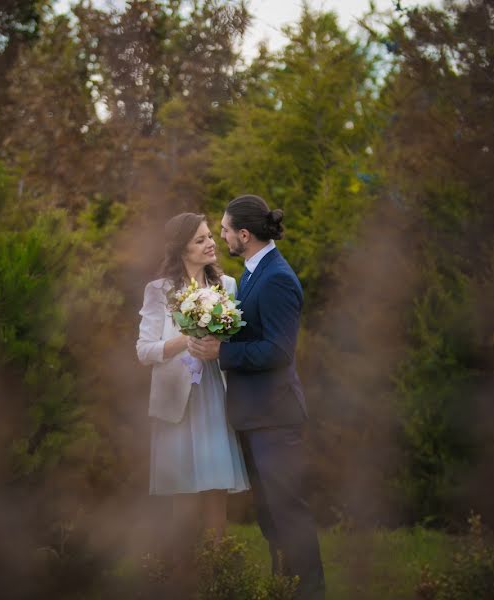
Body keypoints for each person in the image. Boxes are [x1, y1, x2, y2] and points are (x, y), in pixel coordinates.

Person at [188, 195, 325, 599]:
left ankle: (310, 593)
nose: (223, 237)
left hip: (275, 419)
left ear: (244, 235)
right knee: (270, 518)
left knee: (288, 514)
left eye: (226, 230)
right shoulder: (251, 273)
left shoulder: (278, 278)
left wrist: (222, 353)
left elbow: (279, 352)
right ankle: (284, 589)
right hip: (254, 417)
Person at [136, 212, 249, 560]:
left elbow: (235, 336)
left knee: (216, 487)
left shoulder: (227, 285)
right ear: (181, 249)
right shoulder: (159, 291)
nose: (211, 243)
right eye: (200, 240)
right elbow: (144, 351)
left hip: (213, 392)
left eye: (210, 237)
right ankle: (181, 572)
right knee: (182, 491)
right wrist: (183, 341)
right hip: (177, 402)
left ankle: (219, 570)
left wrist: (217, 342)